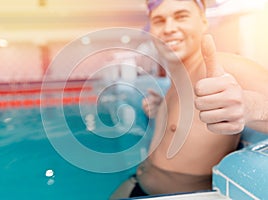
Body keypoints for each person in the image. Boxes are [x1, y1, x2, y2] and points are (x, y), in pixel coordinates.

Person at [110, 0, 268, 199]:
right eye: (159, 20)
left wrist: (252, 108)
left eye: (181, 16)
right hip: (139, 183)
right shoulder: (175, 82)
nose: (169, 28)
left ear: (203, 21)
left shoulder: (226, 65)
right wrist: (161, 111)